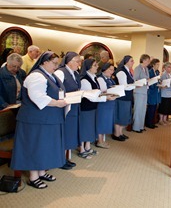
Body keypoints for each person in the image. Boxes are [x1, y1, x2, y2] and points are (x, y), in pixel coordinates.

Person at [11, 51, 67, 189]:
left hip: (45, 118)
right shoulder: (37, 76)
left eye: (57, 64)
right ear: (44, 62)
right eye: (54, 63)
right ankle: (33, 177)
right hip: (35, 119)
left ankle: (41, 172)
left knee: (44, 147)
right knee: (35, 147)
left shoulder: (49, 75)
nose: (56, 66)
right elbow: (38, 97)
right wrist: (57, 103)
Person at [54, 52, 81, 170]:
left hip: (73, 106)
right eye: (77, 61)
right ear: (69, 62)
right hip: (65, 107)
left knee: (70, 132)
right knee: (64, 133)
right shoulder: (61, 72)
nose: (79, 64)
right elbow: (57, 89)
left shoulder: (75, 73)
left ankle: (65, 157)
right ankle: (60, 159)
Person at [79, 59, 104, 159]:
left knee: (90, 127)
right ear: (88, 67)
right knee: (84, 128)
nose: (97, 67)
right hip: (86, 107)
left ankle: (88, 147)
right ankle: (81, 149)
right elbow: (90, 95)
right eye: (94, 65)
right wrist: (105, 97)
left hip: (93, 106)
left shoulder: (94, 77)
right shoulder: (84, 79)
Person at [96, 63, 117, 148]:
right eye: (110, 70)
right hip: (103, 103)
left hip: (110, 102)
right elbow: (103, 91)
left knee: (106, 122)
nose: (112, 72)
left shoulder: (109, 78)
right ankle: (99, 141)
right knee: (102, 121)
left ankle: (102, 140)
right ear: (105, 69)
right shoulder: (100, 78)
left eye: (113, 70)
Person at [113, 55, 134, 141]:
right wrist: (135, 85)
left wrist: (134, 85)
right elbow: (123, 86)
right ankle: (116, 134)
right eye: (132, 61)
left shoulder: (127, 71)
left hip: (127, 96)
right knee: (120, 115)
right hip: (122, 97)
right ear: (126, 61)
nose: (133, 62)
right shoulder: (121, 71)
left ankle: (121, 132)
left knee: (124, 115)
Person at [133, 54, 150, 133]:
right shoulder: (137, 68)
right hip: (139, 91)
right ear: (143, 60)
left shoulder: (146, 68)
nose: (148, 62)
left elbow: (147, 78)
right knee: (138, 110)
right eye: (147, 60)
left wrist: (149, 80)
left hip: (145, 91)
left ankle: (141, 126)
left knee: (143, 110)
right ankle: (136, 127)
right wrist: (143, 81)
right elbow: (135, 80)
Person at [145, 58, 161, 129]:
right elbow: (149, 82)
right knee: (150, 108)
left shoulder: (157, 72)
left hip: (156, 91)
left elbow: (157, 80)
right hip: (151, 92)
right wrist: (155, 84)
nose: (158, 66)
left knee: (154, 108)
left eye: (159, 64)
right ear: (153, 64)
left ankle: (152, 122)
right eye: (157, 64)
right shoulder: (150, 72)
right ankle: (148, 123)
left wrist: (160, 83)